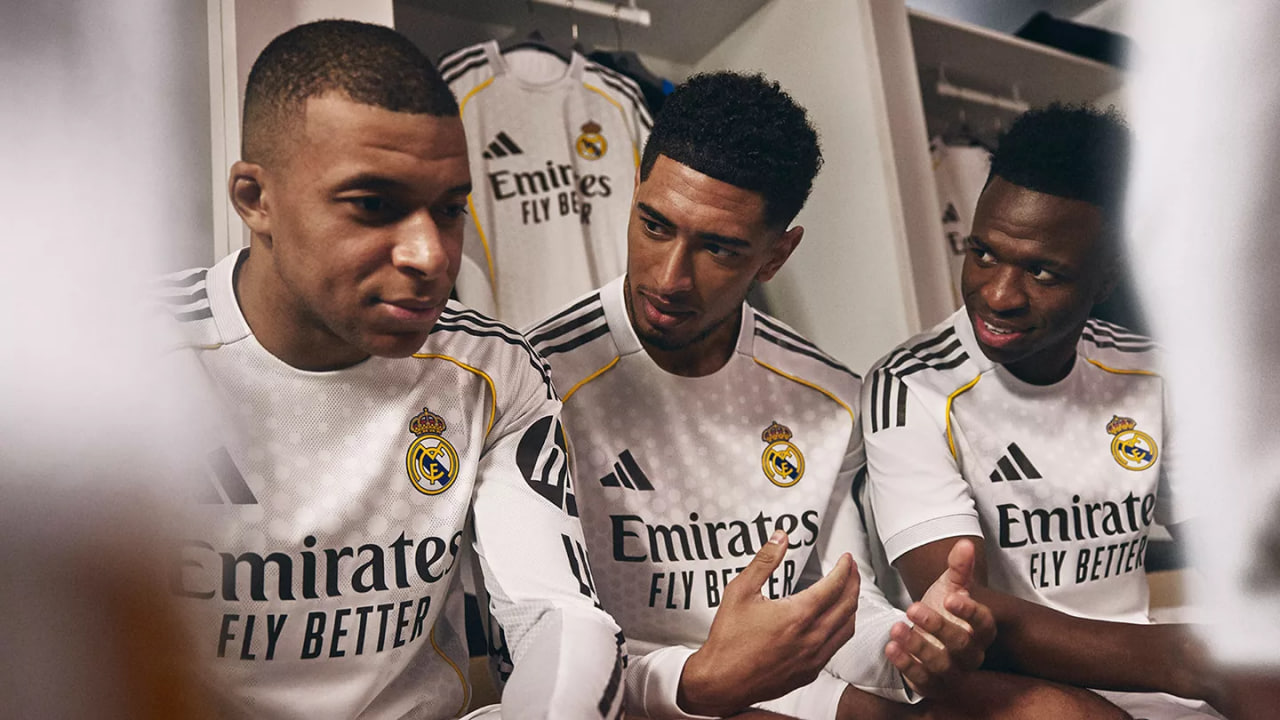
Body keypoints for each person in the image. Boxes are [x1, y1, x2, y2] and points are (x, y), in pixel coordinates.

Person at [530, 74, 1126, 720]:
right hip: (628, 698)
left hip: (792, 690)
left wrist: (909, 648)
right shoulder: (538, 380)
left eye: (719, 249)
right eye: (655, 225)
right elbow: (541, 638)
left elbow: (846, 604)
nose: (670, 277)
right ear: (634, 196)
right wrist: (697, 679)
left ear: (775, 255)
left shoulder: (830, 398)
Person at [161, 20, 623, 719]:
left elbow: (557, 615)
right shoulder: (118, 360)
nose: (430, 256)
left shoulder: (492, 369)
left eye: (450, 209)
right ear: (256, 200)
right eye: (374, 206)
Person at [863, 104, 1223, 719]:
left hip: (1149, 681)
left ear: (1107, 278)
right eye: (983, 254)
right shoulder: (909, 384)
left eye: (1042, 271)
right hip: (1003, 689)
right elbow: (959, 609)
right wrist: (1188, 658)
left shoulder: (1156, 373)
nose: (998, 295)